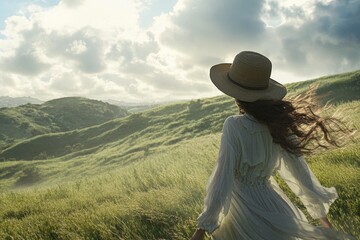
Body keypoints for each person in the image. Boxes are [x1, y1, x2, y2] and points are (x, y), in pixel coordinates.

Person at [190, 51, 355, 240]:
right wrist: (323, 221)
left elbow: (223, 178)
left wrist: (202, 228)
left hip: (242, 214)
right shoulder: (279, 125)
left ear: (235, 94)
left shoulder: (234, 125)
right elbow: (300, 174)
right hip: (275, 208)